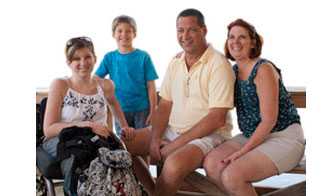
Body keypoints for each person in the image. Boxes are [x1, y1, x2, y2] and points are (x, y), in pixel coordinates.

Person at [123, 8, 235, 196]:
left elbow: (216, 119)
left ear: (204, 30)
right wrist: (155, 140)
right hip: (172, 131)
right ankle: (153, 192)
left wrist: (174, 146)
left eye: (191, 30)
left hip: (210, 136)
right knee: (122, 147)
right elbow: (165, 105)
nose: (185, 36)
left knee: (173, 165)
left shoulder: (218, 64)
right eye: (180, 30)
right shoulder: (176, 62)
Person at [203, 19, 306, 196]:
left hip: (283, 137)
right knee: (212, 164)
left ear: (253, 42)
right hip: (253, 135)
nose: (235, 42)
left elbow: (268, 121)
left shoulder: (263, 69)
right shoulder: (232, 71)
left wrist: (242, 152)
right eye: (231, 37)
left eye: (242, 37)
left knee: (232, 175)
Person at [42, 36, 154, 195]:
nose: (83, 63)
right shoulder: (60, 84)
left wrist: (124, 127)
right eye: (76, 59)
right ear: (68, 63)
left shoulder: (105, 85)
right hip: (64, 140)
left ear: (95, 58)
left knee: (125, 156)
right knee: (89, 159)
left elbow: (115, 106)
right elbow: (49, 129)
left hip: (97, 141)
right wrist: (87, 126)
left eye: (87, 57)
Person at [95, 15, 158, 136]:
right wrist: (106, 93)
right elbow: (96, 79)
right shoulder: (109, 58)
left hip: (142, 109)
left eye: (128, 31)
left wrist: (153, 109)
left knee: (143, 141)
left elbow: (151, 85)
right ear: (113, 34)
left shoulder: (143, 56)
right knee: (125, 143)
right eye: (120, 31)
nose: (124, 34)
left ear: (134, 34)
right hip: (120, 110)